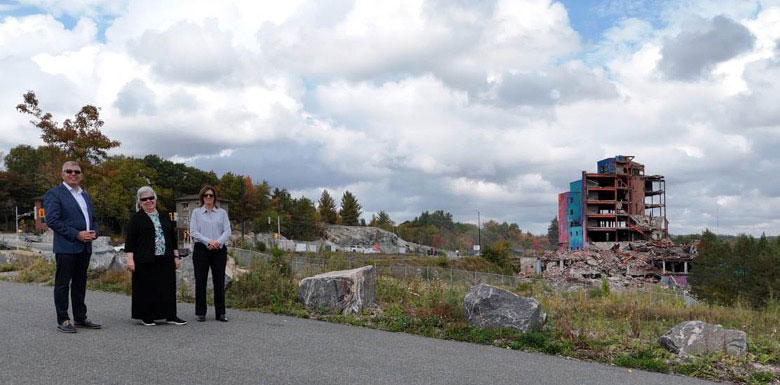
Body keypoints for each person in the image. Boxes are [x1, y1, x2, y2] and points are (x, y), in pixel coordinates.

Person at [44, 160, 101, 333]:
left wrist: (94, 232)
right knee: (62, 284)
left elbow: (93, 219)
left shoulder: (85, 195)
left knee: (80, 283)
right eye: (69, 171)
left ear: (81, 175)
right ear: (62, 174)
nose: (73, 174)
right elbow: (52, 220)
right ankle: (63, 319)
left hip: (85, 247)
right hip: (67, 246)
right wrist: (76, 234)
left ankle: (80, 317)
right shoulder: (55, 194)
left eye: (76, 172)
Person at [125, 186, 187, 326]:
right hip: (144, 258)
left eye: (151, 198)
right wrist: (130, 260)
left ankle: (170, 315)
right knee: (147, 288)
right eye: (144, 199)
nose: (148, 201)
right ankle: (147, 316)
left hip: (165, 257)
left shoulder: (164, 216)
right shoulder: (136, 218)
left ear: (155, 199)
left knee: (167, 287)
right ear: (140, 202)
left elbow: (172, 238)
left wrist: (176, 256)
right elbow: (130, 241)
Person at [189, 185, 231, 322]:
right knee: (200, 280)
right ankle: (201, 312)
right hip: (202, 249)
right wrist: (209, 241)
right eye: (206, 195)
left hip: (219, 250)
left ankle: (221, 313)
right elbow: (194, 232)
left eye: (211, 195)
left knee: (219, 281)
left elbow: (227, 231)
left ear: (214, 197)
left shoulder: (222, 213)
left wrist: (217, 242)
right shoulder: (196, 213)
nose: (208, 197)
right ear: (202, 197)